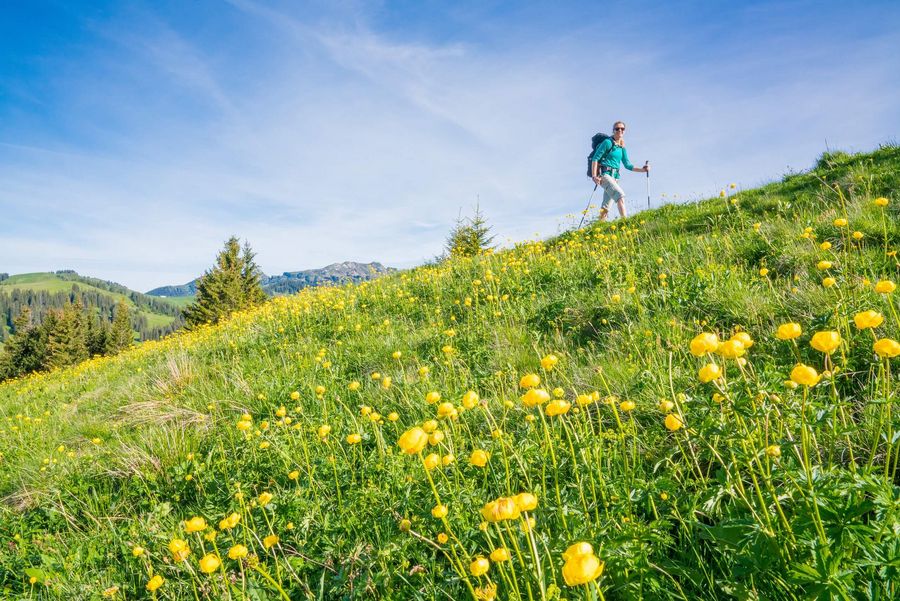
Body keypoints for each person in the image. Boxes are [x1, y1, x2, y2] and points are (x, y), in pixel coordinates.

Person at [590, 121, 649, 221]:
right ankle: (625, 222)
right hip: (605, 175)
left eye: (622, 129)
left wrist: (643, 170)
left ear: (624, 131)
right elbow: (595, 159)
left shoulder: (622, 148)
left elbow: (628, 165)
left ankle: (598, 226)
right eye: (617, 128)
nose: (620, 130)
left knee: (606, 207)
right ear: (613, 131)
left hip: (615, 178)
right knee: (620, 196)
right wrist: (594, 176)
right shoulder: (607, 142)